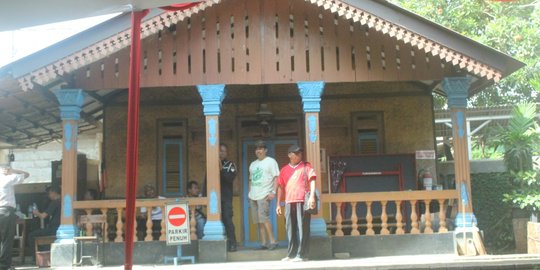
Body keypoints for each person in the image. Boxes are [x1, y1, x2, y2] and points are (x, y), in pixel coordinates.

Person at [276, 145, 316, 262]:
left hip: (302, 201)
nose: (299, 155)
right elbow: (280, 188)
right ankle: (291, 254)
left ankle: (302, 255)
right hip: (289, 202)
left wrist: (312, 196)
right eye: (296, 153)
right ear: (290, 155)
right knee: (290, 229)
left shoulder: (306, 166)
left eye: (300, 153)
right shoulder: (283, 170)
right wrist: (278, 204)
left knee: (303, 228)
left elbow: (312, 180)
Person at [248, 140, 279, 250]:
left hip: (264, 195)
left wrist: (273, 192)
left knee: (264, 219)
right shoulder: (253, 164)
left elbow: (276, 177)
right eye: (257, 149)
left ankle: (273, 241)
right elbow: (250, 180)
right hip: (253, 196)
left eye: (261, 148)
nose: (258, 151)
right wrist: (249, 193)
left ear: (265, 150)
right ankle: (264, 243)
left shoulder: (271, 161)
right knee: (258, 221)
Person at [0, 165, 29, 270]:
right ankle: (4, 265)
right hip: (5, 210)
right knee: (7, 239)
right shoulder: (8, 178)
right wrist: (13, 171)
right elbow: (26, 174)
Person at [28, 185, 61, 257]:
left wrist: (36, 213)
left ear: (54, 192)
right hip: (59, 228)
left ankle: (35, 257)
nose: (49, 196)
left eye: (49, 193)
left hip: (54, 229)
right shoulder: (62, 201)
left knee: (31, 235)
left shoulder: (55, 202)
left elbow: (43, 216)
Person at [219, 143, 238, 252]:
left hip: (226, 198)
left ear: (227, 153)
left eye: (223, 151)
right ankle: (222, 244)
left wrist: (221, 169)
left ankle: (232, 244)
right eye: (220, 151)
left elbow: (229, 179)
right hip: (214, 199)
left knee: (227, 220)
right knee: (216, 222)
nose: (221, 153)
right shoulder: (213, 164)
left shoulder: (230, 165)